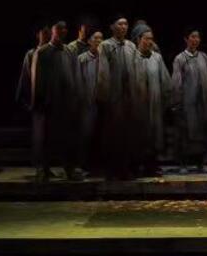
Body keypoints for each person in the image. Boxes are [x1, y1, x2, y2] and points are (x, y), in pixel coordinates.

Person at [30, 21, 85, 181]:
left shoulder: (69, 51)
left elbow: (76, 75)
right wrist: (38, 102)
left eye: (64, 29)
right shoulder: (42, 52)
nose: (62, 31)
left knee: (68, 137)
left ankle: (69, 169)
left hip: (67, 102)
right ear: (52, 31)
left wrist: (77, 98)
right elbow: (36, 80)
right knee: (45, 137)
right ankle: (43, 169)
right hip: (48, 102)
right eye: (58, 29)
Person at [171, 29, 207, 173]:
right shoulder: (180, 59)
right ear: (186, 39)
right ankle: (183, 164)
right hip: (188, 103)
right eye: (192, 37)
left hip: (204, 103)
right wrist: (176, 102)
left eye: (197, 37)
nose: (195, 40)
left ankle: (200, 164)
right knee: (186, 134)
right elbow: (176, 82)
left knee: (202, 134)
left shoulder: (204, 57)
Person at [98, 15, 138, 179]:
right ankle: (111, 170)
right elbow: (103, 72)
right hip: (113, 97)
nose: (123, 27)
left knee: (127, 134)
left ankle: (125, 169)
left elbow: (136, 69)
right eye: (120, 24)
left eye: (126, 24)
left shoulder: (131, 46)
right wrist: (105, 96)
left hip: (129, 97)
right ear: (112, 27)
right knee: (112, 134)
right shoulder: (106, 46)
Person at [130, 23, 172, 177]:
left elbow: (166, 83)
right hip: (136, 107)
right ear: (138, 39)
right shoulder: (131, 58)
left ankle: (151, 166)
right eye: (146, 39)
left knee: (154, 136)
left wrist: (166, 103)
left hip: (154, 106)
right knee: (136, 135)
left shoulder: (157, 58)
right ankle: (135, 166)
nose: (150, 42)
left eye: (151, 39)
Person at [77, 29, 107, 172]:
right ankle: (85, 165)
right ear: (89, 41)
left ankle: (99, 165)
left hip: (103, 103)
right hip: (87, 103)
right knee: (87, 133)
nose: (99, 41)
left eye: (101, 38)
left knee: (101, 134)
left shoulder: (105, 59)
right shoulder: (82, 59)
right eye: (95, 38)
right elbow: (78, 81)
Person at [16, 25, 51, 111]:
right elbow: (25, 77)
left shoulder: (53, 53)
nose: (47, 35)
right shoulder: (31, 54)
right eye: (44, 33)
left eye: (49, 33)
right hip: (36, 97)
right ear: (38, 35)